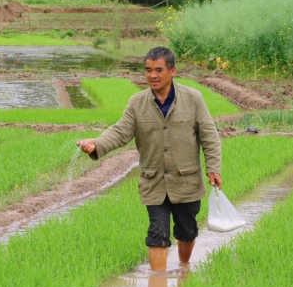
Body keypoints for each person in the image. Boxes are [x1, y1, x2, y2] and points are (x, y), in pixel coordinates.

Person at [77, 47, 222, 273]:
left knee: (187, 232)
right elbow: (120, 131)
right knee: (157, 234)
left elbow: (209, 136)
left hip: (186, 181)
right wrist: (96, 144)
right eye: (147, 70)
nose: (152, 75)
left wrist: (214, 168)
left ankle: (184, 268)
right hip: (153, 181)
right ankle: (158, 286)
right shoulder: (137, 103)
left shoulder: (193, 99)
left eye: (158, 70)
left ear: (172, 71)